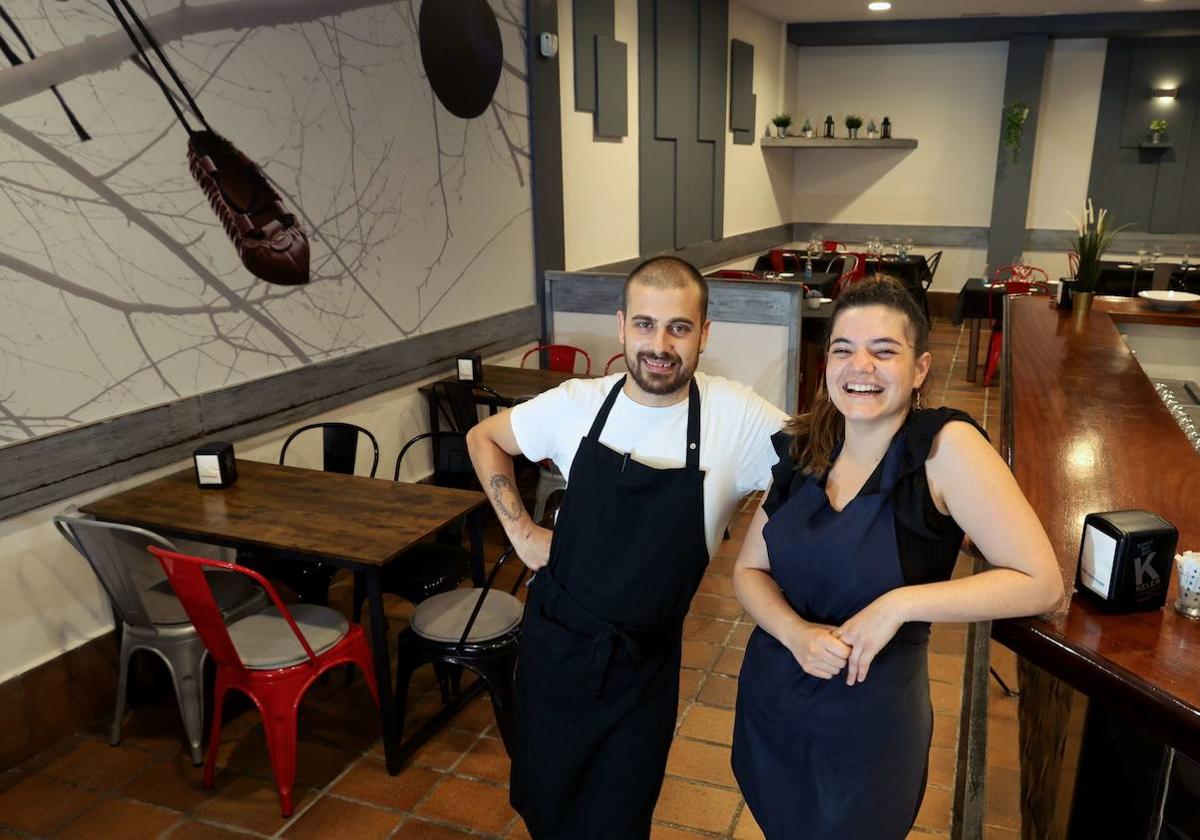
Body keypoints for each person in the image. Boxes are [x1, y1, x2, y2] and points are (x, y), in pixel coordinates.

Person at [730, 276, 1063, 840]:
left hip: (867, 728)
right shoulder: (806, 443)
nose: (861, 366)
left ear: (920, 369)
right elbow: (748, 569)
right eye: (843, 349)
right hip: (773, 702)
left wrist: (900, 604)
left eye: (884, 351)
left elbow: (1041, 583)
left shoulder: (943, 449)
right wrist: (793, 632)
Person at [466, 256, 787, 839]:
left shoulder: (735, 416)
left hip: (642, 669)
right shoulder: (576, 404)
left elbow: (814, 465)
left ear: (704, 335)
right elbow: (483, 436)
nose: (659, 344)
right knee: (548, 809)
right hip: (554, 654)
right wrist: (520, 532)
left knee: (618, 820)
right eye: (644, 324)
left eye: (679, 328)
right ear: (621, 327)